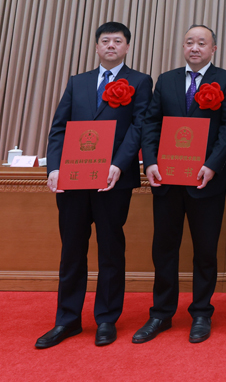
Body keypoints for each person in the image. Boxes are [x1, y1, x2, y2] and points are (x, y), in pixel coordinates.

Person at [37, 22, 153, 348]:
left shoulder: (140, 82)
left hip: (113, 181)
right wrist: (55, 167)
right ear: (97, 46)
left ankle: (106, 319)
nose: (111, 46)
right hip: (72, 181)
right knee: (72, 250)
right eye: (105, 41)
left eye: (118, 41)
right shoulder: (79, 82)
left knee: (110, 250)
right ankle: (67, 320)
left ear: (127, 47)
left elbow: (139, 128)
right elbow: (59, 128)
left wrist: (118, 165)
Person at [134, 25, 226, 344]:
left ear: (214, 49)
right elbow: (151, 122)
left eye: (202, 43)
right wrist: (150, 161)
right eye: (190, 42)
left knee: (205, 249)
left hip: (207, 181)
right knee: (164, 247)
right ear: (183, 46)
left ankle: (201, 313)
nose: (195, 48)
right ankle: (161, 313)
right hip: (167, 178)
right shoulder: (166, 80)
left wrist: (212, 164)